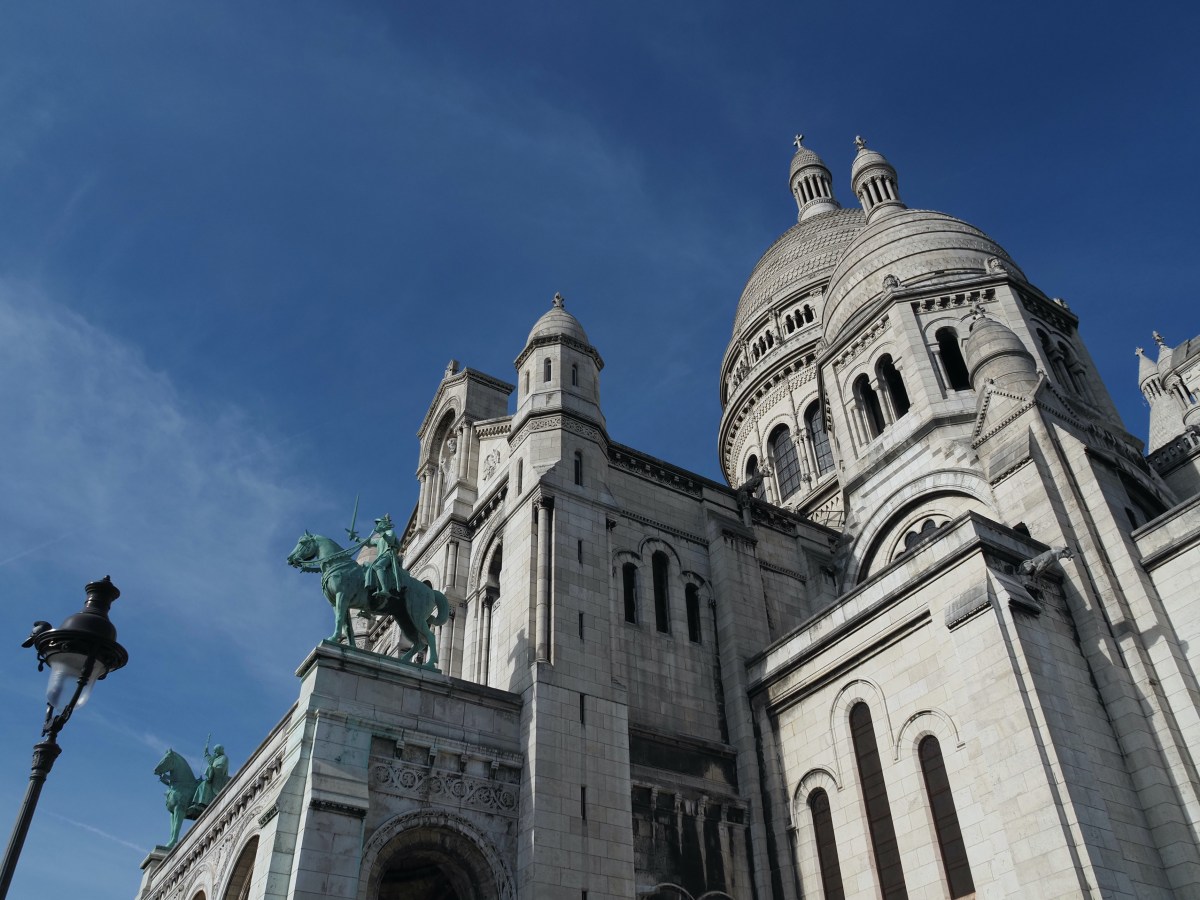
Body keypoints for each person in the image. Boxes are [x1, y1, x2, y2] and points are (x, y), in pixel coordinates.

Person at [362, 514, 401, 600]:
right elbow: (369, 542)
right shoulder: (380, 539)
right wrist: (356, 538)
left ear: (384, 525)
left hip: (389, 555)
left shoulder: (390, 532)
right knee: (369, 567)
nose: (378, 525)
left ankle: (385, 589)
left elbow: (390, 541)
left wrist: (381, 532)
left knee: (378, 566)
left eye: (380, 524)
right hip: (382, 556)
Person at [192, 744, 230, 808]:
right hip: (213, 776)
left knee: (205, 784)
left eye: (215, 750)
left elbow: (221, 769)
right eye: (214, 751)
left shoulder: (224, 758)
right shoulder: (216, 758)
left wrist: (211, 769)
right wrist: (207, 754)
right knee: (201, 783)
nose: (214, 752)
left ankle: (202, 804)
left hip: (219, 779)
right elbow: (211, 761)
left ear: (219, 750)